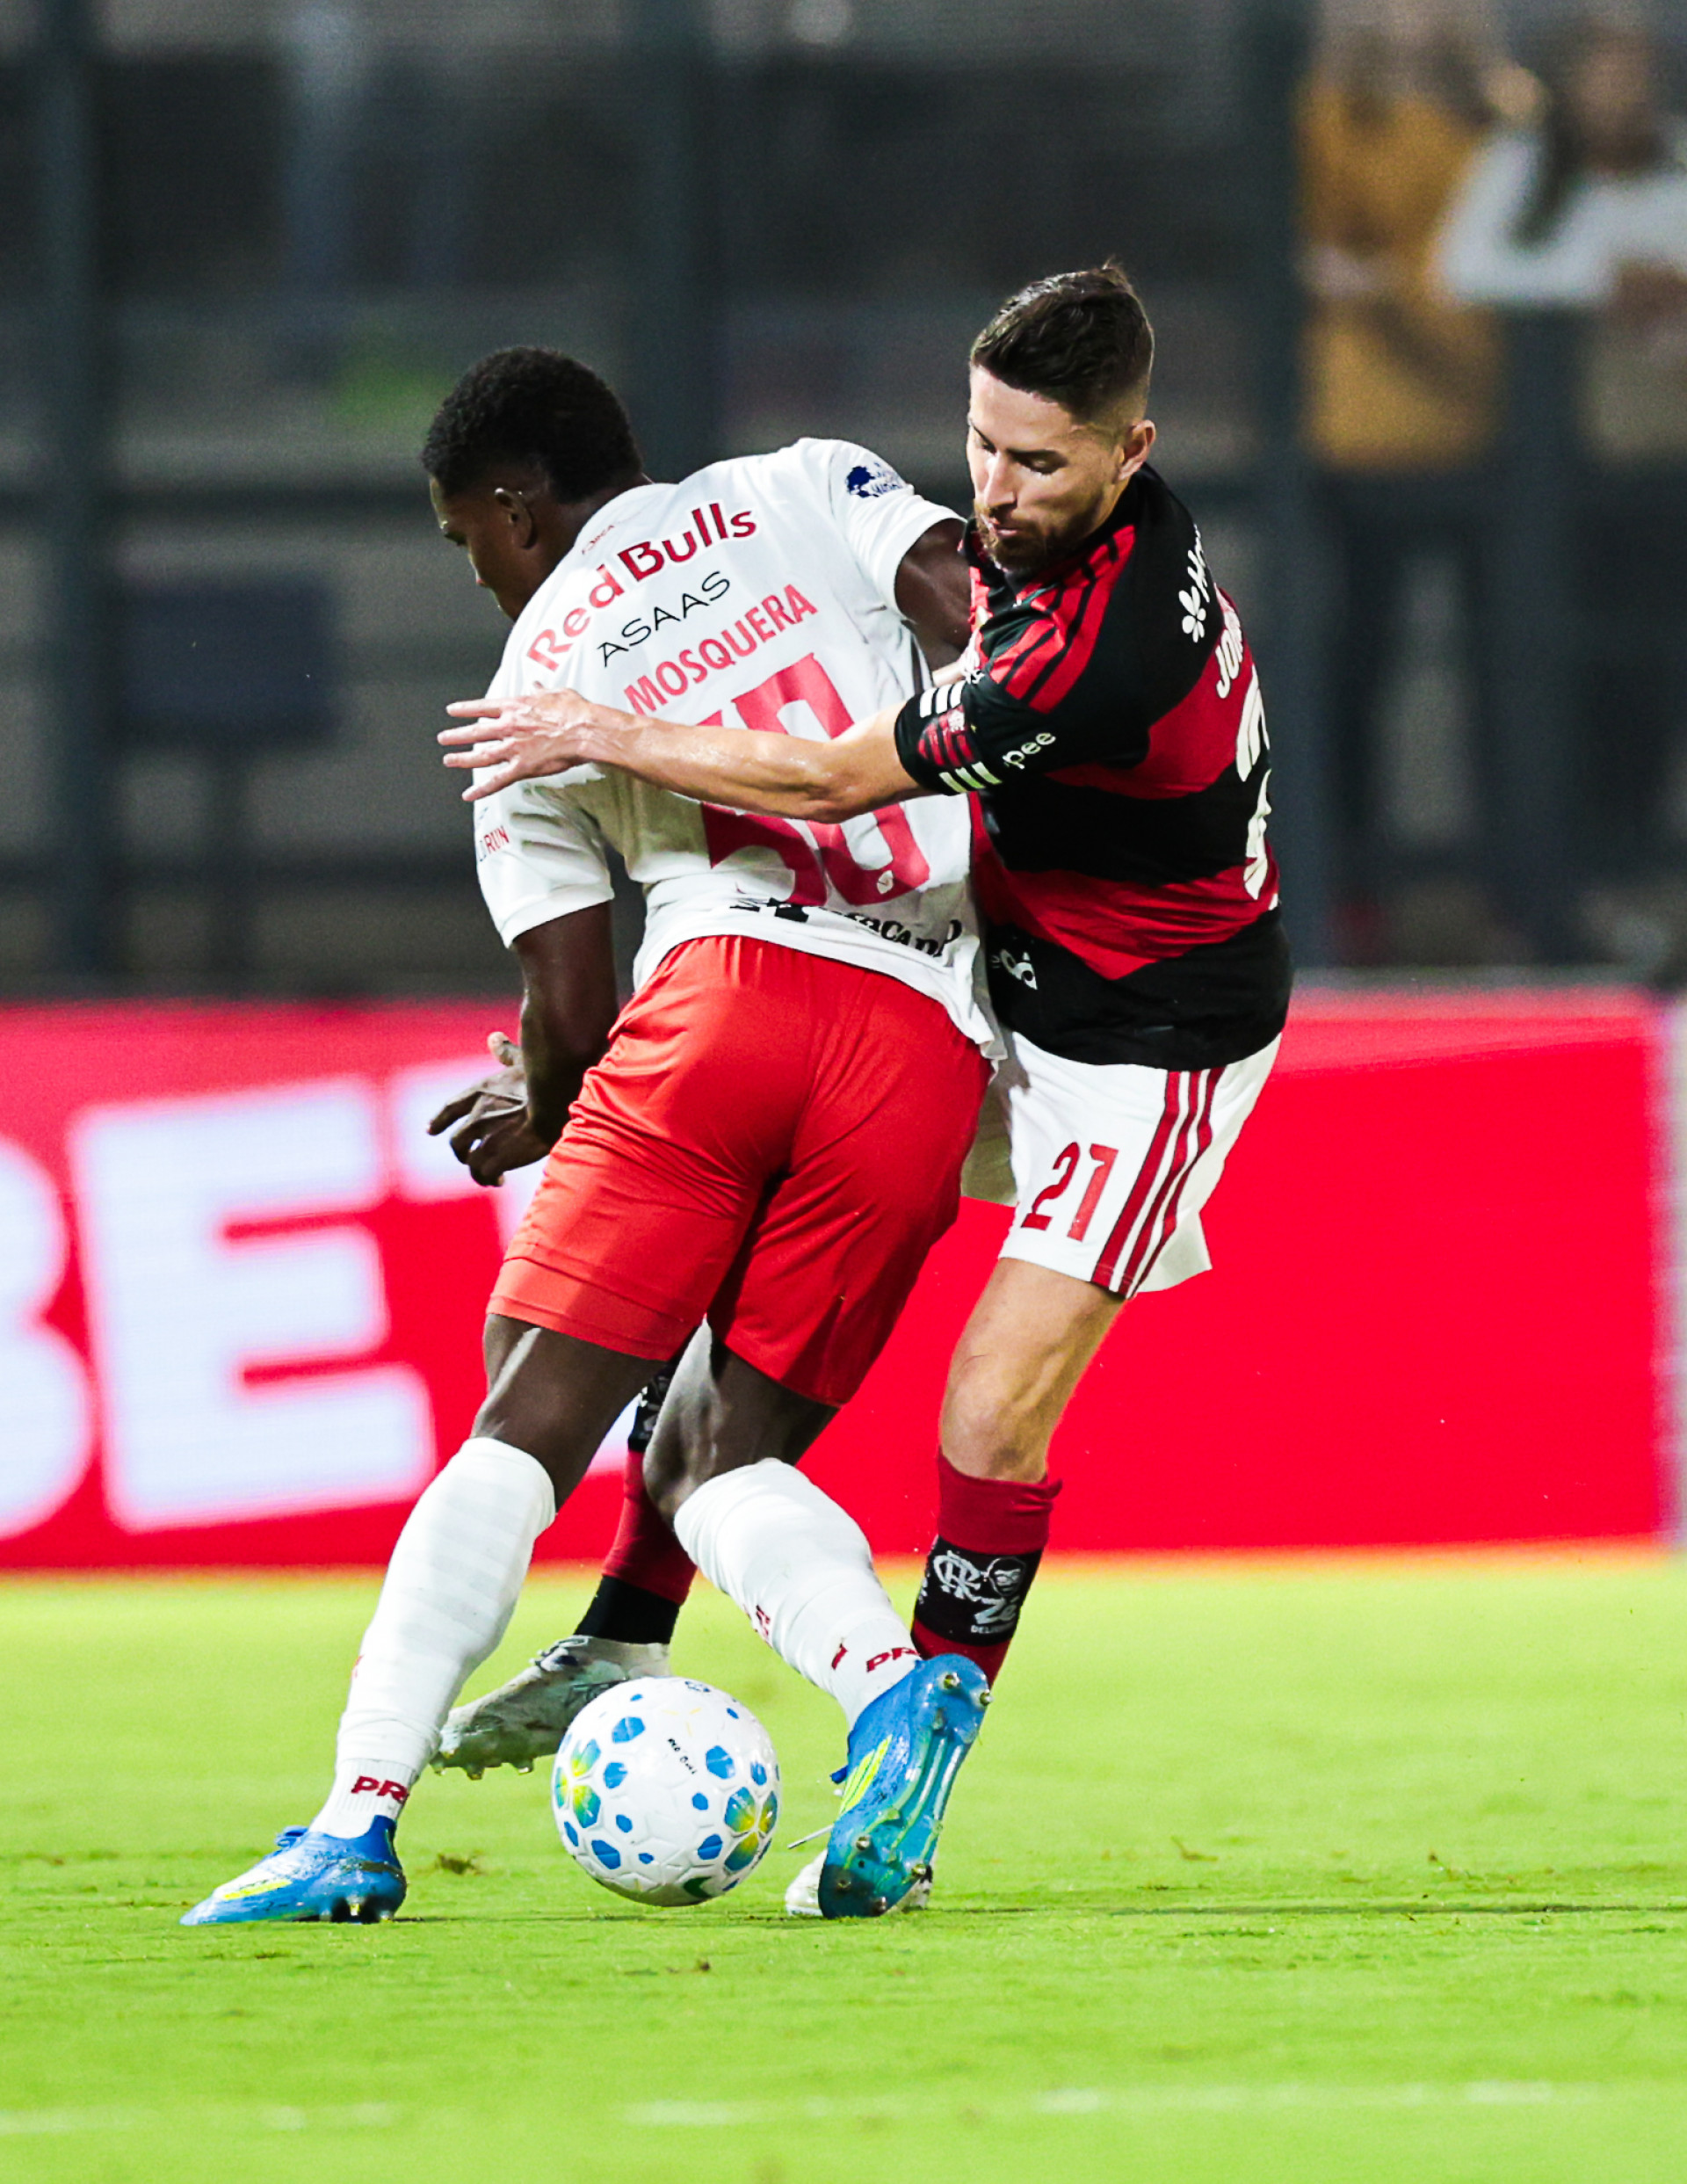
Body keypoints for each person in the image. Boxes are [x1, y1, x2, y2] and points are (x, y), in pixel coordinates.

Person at [442, 267, 1292, 1905]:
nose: (999, 493)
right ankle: (623, 1629)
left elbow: (836, 778)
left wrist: (596, 726)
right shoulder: (1044, 544)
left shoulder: (1092, 654)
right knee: (730, 1219)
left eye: (1040, 465)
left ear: (1133, 454)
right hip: (1008, 970)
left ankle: (917, 1766)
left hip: (1145, 1041)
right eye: (983, 446)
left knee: (989, 1409)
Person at [181, 345, 997, 1928]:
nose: (480, 570)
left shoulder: (531, 692)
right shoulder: (803, 481)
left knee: (525, 1425)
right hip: (927, 1042)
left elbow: (569, 1001)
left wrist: (539, 1103)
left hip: (724, 1003)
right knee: (723, 1460)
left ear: (512, 505)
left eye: (464, 540)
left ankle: (354, 1822)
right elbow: (981, 620)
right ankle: (896, 1692)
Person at [1437, 18, 1687, 882]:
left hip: (1657, 472)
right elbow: (1463, 270)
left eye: (1636, 72)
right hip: (1544, 475)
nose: (1621, 90)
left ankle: (1626, 873)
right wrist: (1604, 282)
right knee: (1540, 681)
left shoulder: (1676, 161)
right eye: (1604, 71)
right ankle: (1533, 885)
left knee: (1647, 675)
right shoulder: (1520, 163)